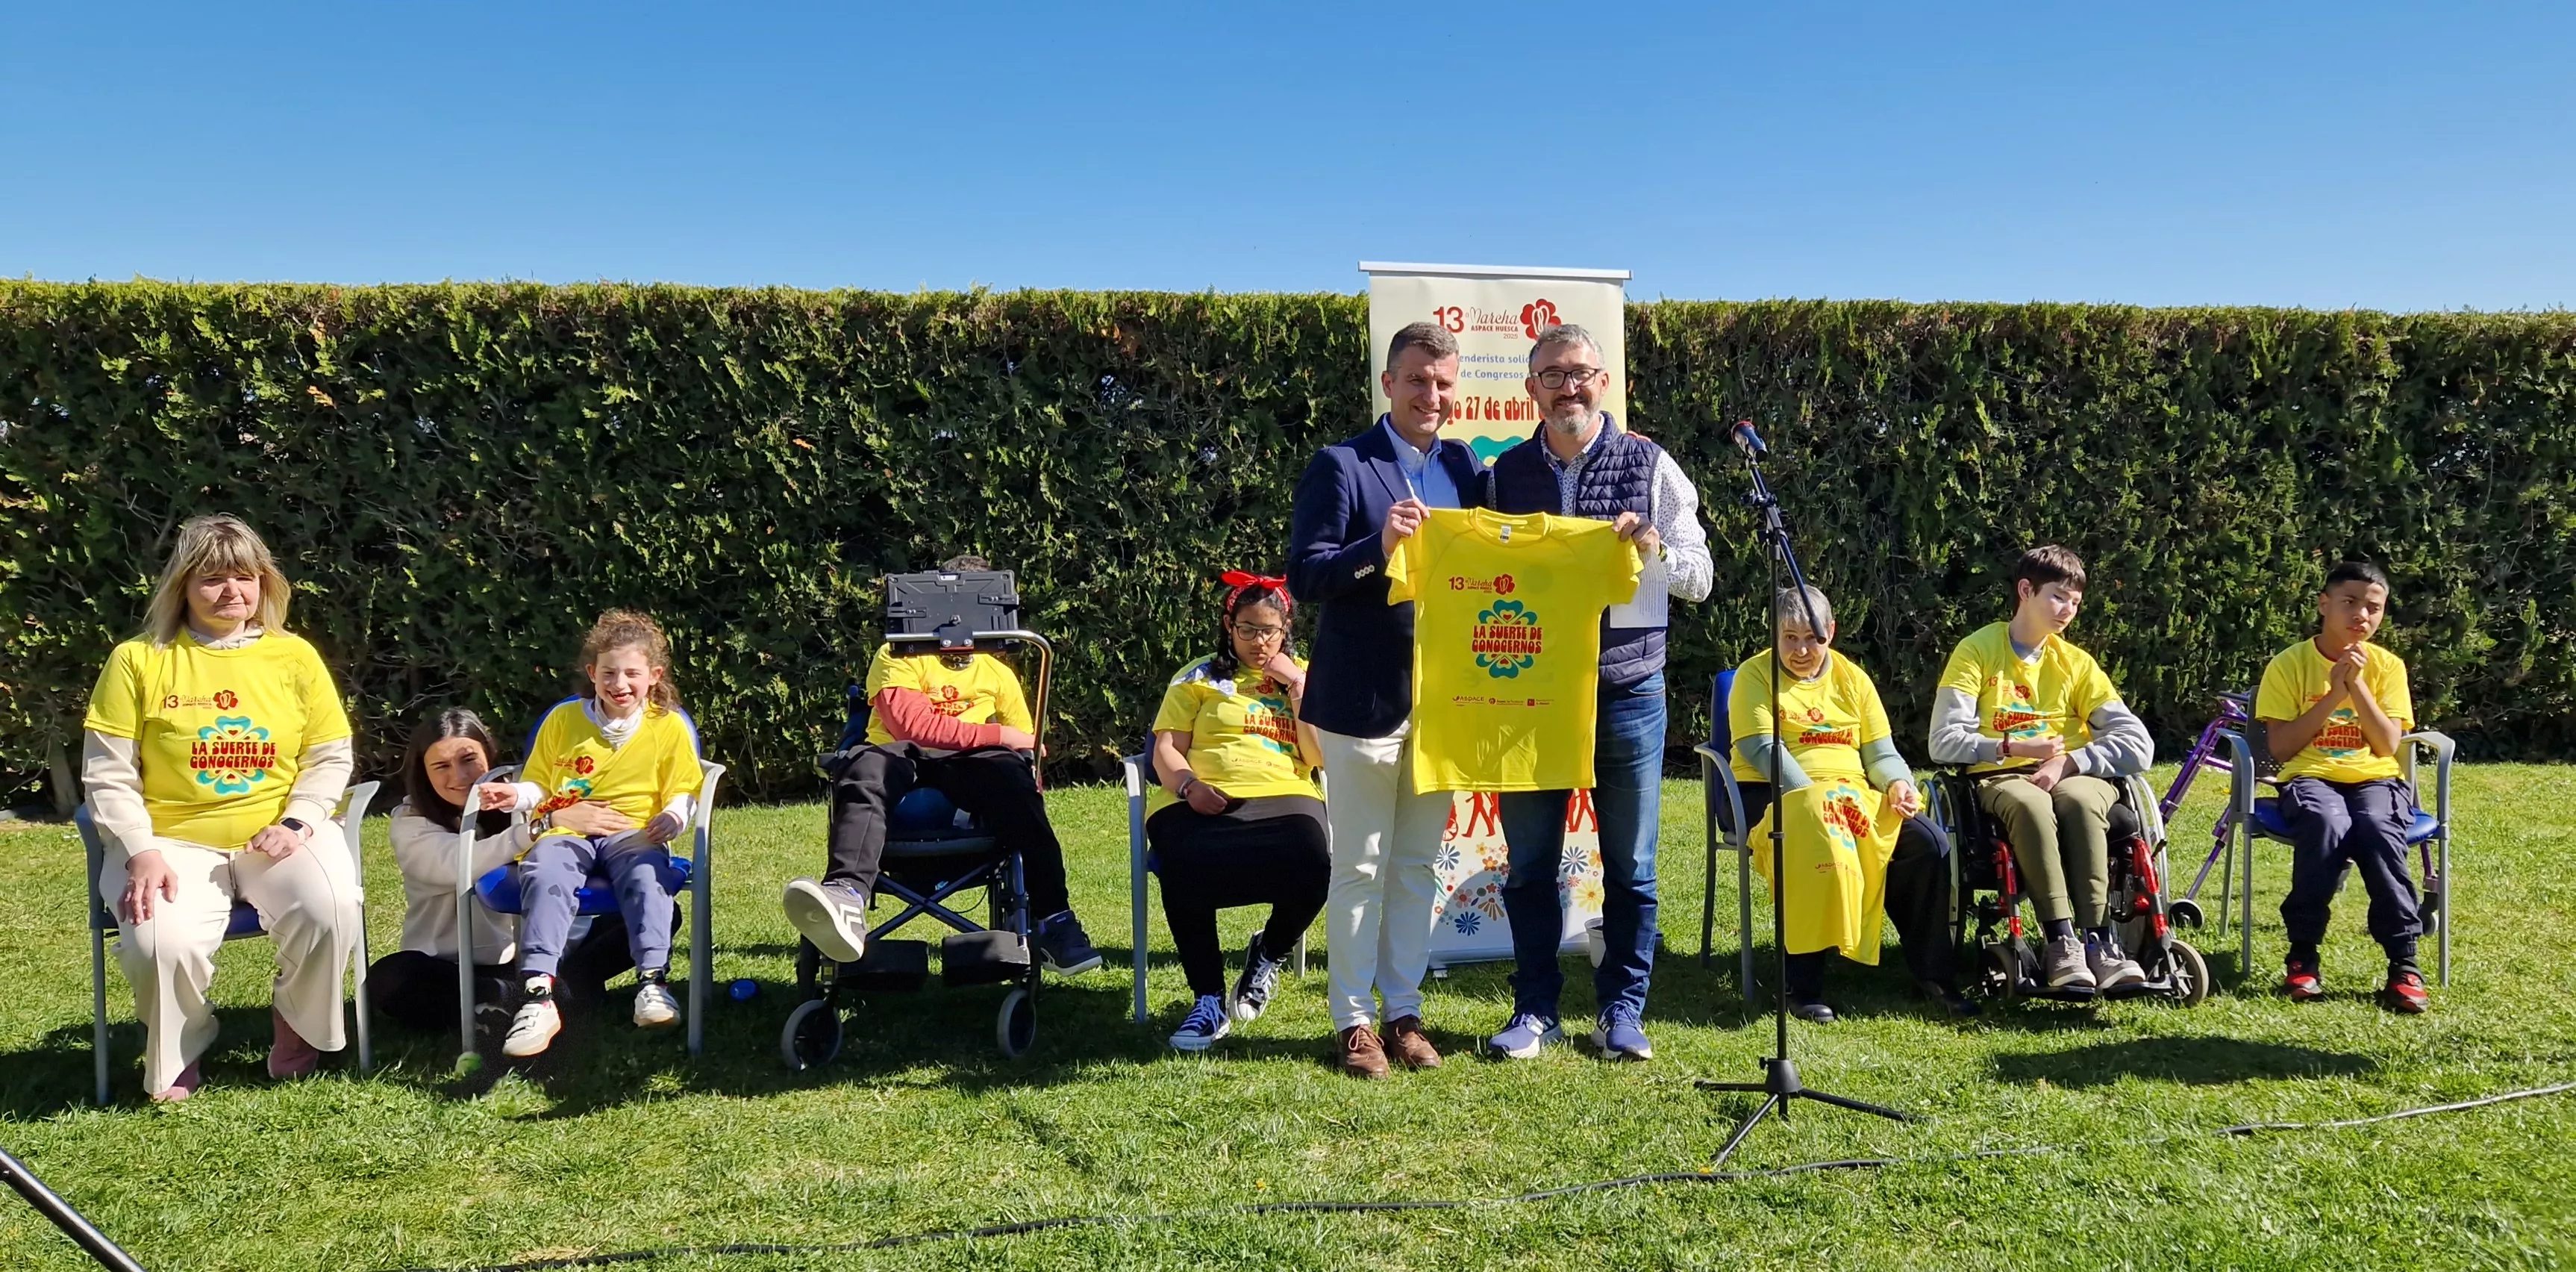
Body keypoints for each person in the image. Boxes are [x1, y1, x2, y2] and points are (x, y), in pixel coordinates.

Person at [1479, 322, 1713, 1062]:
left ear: (1604, 383)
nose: (1568, 387)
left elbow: (1701, 578)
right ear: (1531, 389)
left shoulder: (1652, 466)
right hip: (1530, 697)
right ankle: (1534, 1010)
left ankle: (1621, 1012)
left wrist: (1654, 548)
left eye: (1580, 372)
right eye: (1552, 375)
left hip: (1629, 690)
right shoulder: (1503, 475)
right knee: (1529, 867)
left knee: (1632, 869)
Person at [80, 514, 360, 1101]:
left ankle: (299, 1023)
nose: (232, 591)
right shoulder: (138, 660)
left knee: (331, 908)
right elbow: (108, 773)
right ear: (182, 586)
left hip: (277, 833)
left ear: (264, 583)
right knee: (159, 942)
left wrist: (299, 821)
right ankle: (179, 1047)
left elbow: (330, 756)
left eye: (245, 577)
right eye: (212, 579)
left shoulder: (295, 656)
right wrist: (140, 851)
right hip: (169, 842)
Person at [1287, 319, 1488, 1079]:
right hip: (1361, 697)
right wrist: (1378, 549)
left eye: (1442, 383)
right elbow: (1306, 575)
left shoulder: (1466, 466)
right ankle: (1353, 1023)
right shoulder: (1342, 464)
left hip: (1445, 701)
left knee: (1415, 867)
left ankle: (1404, 1013)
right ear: (1388, 384)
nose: (1430, 395)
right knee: (1360, 866)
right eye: (1416, 380)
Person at [781, 556, 1103, 979]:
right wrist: (1000, 736)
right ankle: (846, 897)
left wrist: (1020, 759)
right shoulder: (897, 654)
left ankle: (1055, 921)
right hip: (898, 753)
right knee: (865, 768)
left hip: (970, 765)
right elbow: (912, 727)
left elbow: (1029, 749)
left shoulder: (997, 673)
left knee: (1016, 782)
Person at [1730, 586, 1973, 1022]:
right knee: (1818, 831)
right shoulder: (1754, 676)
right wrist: (1820, 798)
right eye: (1790, 638)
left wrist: (1898, 783)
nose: (1802, 650)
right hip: (1777, 793)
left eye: (1813, 638)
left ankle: (1934, 974)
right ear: (1774, 634)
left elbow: (1880, 755)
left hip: (1852, 796)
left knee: (1929, 844)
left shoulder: (1854, 679)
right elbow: (1762, 749)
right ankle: (1802, 985)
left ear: (1832, 631)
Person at [1928, 546, 2154, 993]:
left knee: (2082, 800)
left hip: (2075, 773)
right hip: (2000, 775)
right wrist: (2009, 746)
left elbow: (2138, 743)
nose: (2067, 610)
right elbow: (1943, 740)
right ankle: (2061, 941)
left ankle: (2100, 942)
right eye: (2058, 597)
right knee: (2031, 804)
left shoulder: (2076, 664)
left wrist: (2069, 761)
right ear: (2025, 590)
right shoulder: (1976, 651)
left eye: (2075, 602)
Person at [482, 610, 705, 1058]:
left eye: (632, 674)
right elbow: (539, 782)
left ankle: (652, 982)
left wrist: (674, 817)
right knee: (545, 871)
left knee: (647, 874)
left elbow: (684, 787)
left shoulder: (668, 725)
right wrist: (516, 796)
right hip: (567, 826)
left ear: (654, 676)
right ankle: (538, 995)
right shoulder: (564, 720)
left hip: (633, 829)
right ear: (592, 673)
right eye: (608, 673)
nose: (619, 684)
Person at [366, 708, 641, 1034]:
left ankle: (539, 994)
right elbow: (458, 864)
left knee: (653, 913)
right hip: (454, 965)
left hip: (540, 955)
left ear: (490, 755)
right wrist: (540, 828)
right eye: (441, 766)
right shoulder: (410, 821)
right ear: (423, 772)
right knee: (390, 978)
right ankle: (541, 995)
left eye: (469, 760)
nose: (459, 776)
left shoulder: (524, 798)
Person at [1146, 572, 1330, 1051]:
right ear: (1229, 626)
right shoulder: (1198, 677)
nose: (1259, 641)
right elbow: (1165, 750)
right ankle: (1207, 999)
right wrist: (1188, 786)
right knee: (1184, 862)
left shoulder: (1307, 675)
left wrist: (1296, 685)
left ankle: (1268, 952)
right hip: (1199, 792)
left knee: (1318, 863)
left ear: (1286, 629)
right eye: (1247, 629)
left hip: (1285, 791)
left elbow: (1318, 757)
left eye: (1269, 631)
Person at [2255, 561, 2429, 1013]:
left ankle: (2404, 965)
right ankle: (2303, 956)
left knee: (2376, 827)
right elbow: (2283, 747)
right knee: (2325, 822)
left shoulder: (2387, 667)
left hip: (2376, 778)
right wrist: (2334, 693)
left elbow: (2388, 745)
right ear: (2324, 604)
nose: (2361, 615)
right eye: (2349, 602)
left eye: (2373, 607)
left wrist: (2358, 687)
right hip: (2310, 776)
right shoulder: (2289, 664)